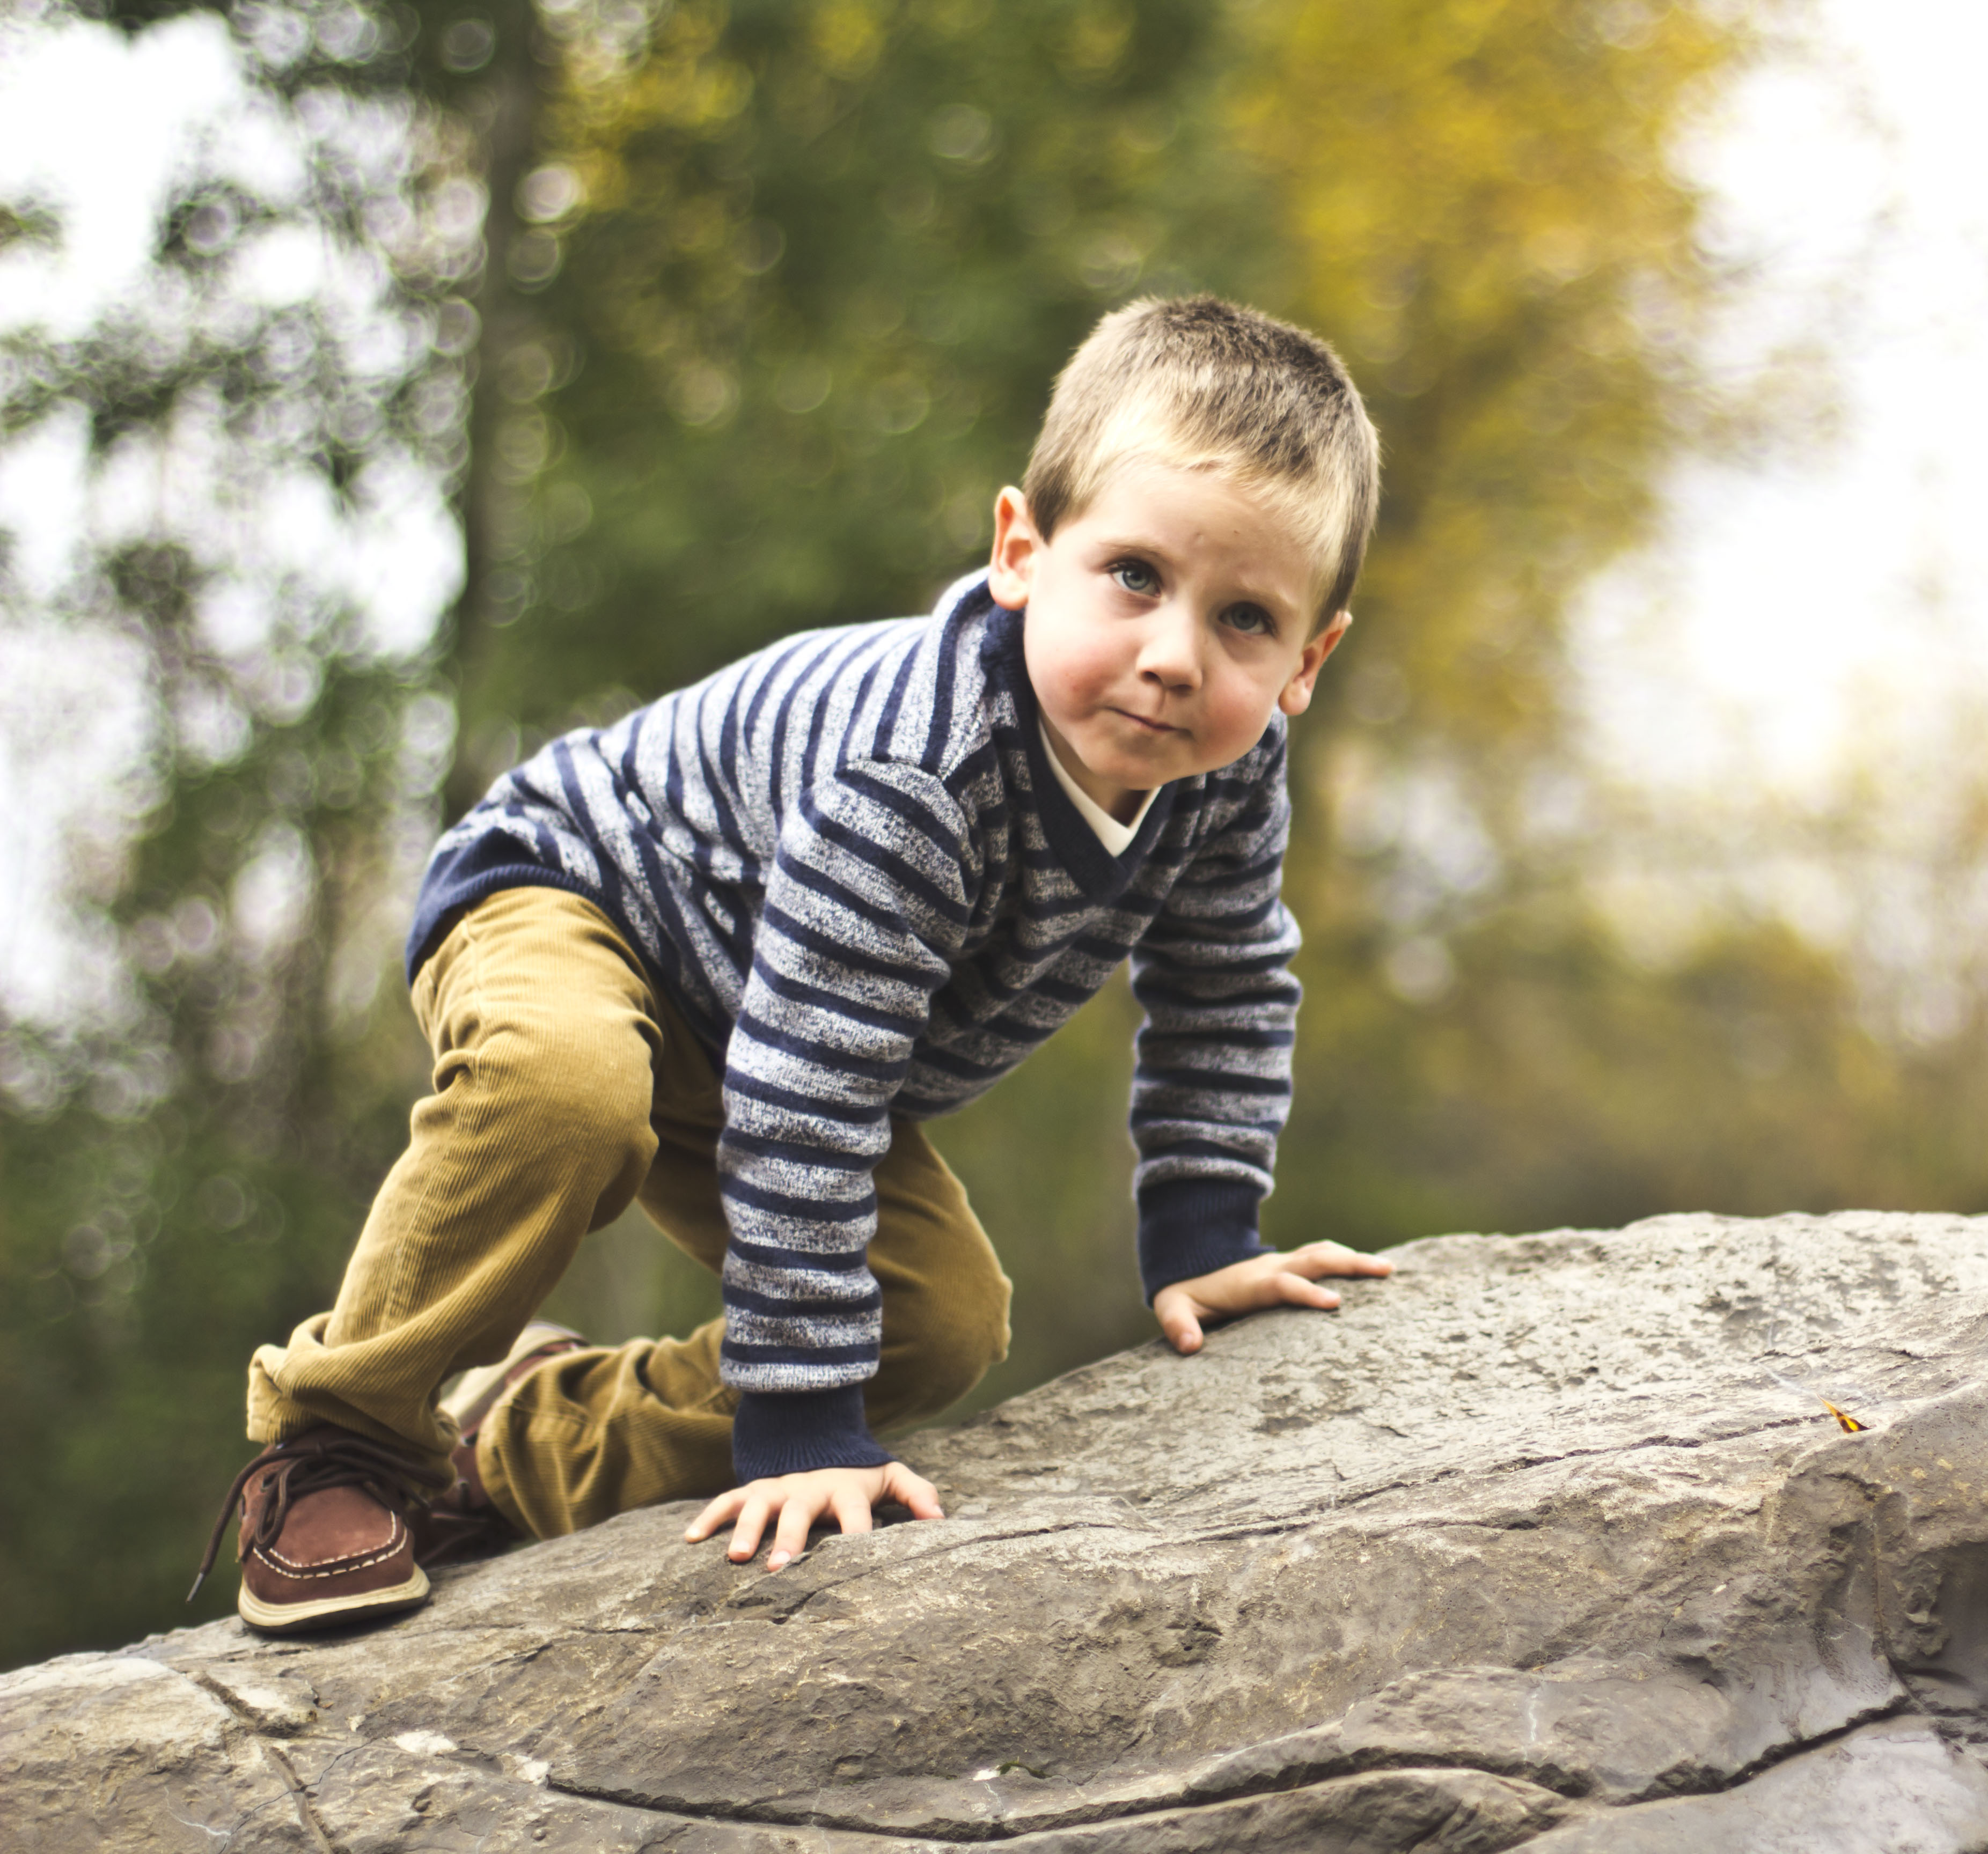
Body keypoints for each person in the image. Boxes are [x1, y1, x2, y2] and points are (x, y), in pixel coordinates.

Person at [193, 296, 1394, 1635]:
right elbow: (808, 1098)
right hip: (588, 893)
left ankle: (516, 1442)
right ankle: (340, 1436)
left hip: (773, 1018)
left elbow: (1225, 978)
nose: (1174, 658)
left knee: (938, 1323)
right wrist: (802, 1423)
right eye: (1134, 577)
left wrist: (1205, 1234)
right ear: (1022, 553)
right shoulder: (918, 776)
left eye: (1244, 619)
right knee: (567, 1090)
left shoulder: (1232, 775)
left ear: (1308, 659)